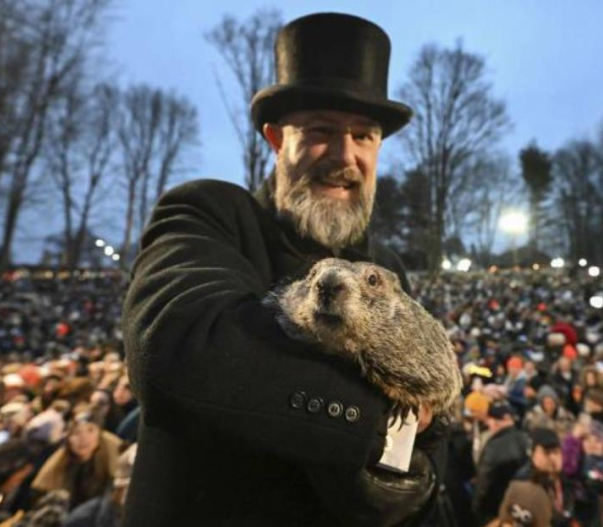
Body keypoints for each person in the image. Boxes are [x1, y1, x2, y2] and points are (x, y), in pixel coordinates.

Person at [121, 12, 447, 527]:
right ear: (276, 139)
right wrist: (377, 427)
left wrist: (421, 489)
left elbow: (431, 416)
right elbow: (177, 350)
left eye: (364, 136)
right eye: (321, 130)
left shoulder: (385, 268)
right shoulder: (210, 213)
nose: (344, 157)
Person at [472, 401, 530, 525]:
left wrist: (476, 506)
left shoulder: (493, 447)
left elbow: (484, 481)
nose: (488, 424)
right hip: (523, 508)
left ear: (496, 421)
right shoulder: (525, 438)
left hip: (496, 511)